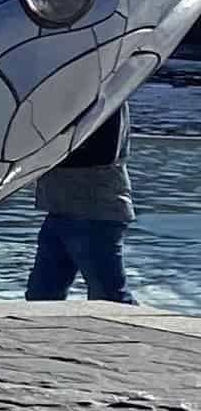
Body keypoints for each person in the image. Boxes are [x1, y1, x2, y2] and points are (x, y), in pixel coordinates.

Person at [27, 110, 137, 304]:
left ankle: (133, 324)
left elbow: (104, 154)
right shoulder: (69, 101)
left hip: (96, 211)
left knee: (109, 298)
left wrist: (45, 156)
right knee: (41, 296)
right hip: (59, 208)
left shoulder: (108, 101)